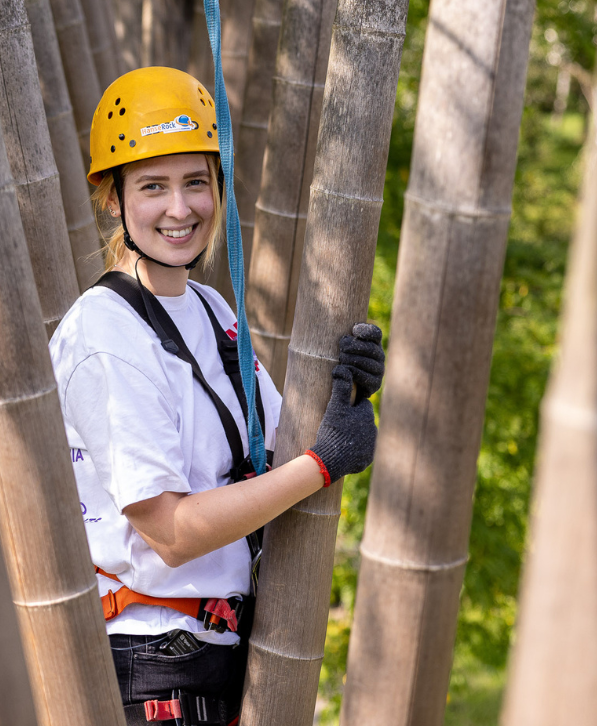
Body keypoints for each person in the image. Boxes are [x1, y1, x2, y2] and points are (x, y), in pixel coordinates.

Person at [49, 66, 385, 725]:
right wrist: (321, 463)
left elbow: (272, 470)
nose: (180, 209)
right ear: (112, 198)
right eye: (153, 187)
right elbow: (171, 532)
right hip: (151, 670)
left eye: (196, 182)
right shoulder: (105, 333)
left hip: (222, 657)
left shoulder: (208, 309)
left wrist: (345, 397)